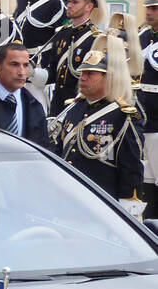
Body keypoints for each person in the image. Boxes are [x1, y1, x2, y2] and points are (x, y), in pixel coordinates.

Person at [51, 34, 145, 207]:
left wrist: (128, 206)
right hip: (66, 196)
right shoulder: (74, 107)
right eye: (82, 73)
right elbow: (59, 150)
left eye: (90, 74)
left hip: (100, 201)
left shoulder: (122, 114)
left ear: (108, 77)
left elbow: (130, 167)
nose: (83, 78)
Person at [139, 0, 158, 218]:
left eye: (155, 9)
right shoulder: (142, 37)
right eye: (149, 8)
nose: (150, 13)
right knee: (147, 179)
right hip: (142, 118)